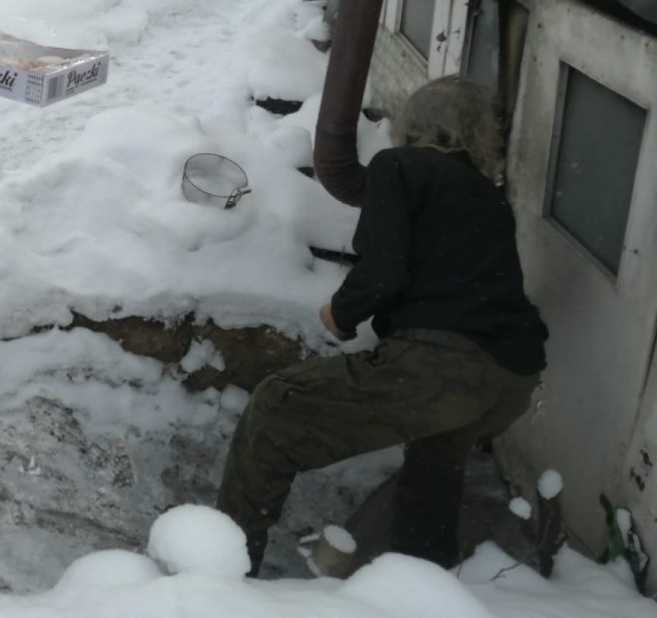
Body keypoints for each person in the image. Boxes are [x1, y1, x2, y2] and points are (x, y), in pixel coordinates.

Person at [217, 76, 549, 574]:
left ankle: (220, 568)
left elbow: (384, 266)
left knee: (276, 408)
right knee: (432, 471)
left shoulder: (400, 165)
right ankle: (421, 582)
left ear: (413, 126)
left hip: (444, 366)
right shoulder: (487, 196)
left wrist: (342, 312)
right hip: (511, 380)